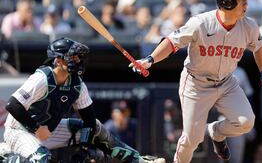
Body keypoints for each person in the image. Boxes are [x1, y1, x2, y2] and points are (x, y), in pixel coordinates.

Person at [129, 0, 262, 163]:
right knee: (192, 139)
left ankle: (215, 131)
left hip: (226, 82)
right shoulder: (201, 23)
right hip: (196, 83)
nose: (246, 3)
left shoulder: (249, 26)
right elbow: (172, 41)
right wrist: (150, 59)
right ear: (227, 2)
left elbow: (258, 47)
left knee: (246, 122)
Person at [3, 37, 164, 163]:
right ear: (58, 60)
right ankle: (6, 155)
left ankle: (139, 160)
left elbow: (89, 122)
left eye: (78, 57)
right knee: (42, 159)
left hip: (47, 131)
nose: (78, 61)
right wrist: (36, 128)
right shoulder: (42, 78)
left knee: (98, 128)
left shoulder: (77, 84)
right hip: (20, 130)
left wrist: (84, 148)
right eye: (72, 57)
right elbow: (13, 104)